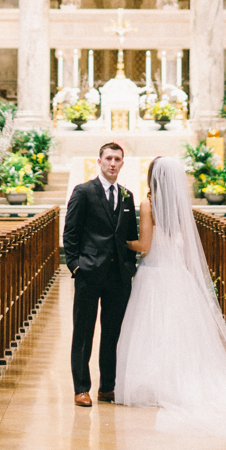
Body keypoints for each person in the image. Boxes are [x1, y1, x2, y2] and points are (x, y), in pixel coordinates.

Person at [116, 155, 226, 438]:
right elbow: (185, 249)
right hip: (177, 274)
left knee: (153, 331)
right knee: (180, 332)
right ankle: (180, 380)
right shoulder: (179, 207)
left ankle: (155, 383)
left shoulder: (148, 204)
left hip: (153, 274)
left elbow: (146, 246)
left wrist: (121, 241)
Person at [63, 142, 138, 407]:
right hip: (89, 273)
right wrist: (75, 265)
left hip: (118, 276)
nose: (113, 163)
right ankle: (81, 387)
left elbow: (131, 237)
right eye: (108, 158)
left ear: (122, 163)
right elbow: (70, 232)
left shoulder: (127, 196)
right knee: (83, 332)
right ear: (99, 161)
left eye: (117, 159)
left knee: (113, 334)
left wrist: (129, 268)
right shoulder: (83, 192)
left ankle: (108, 386)